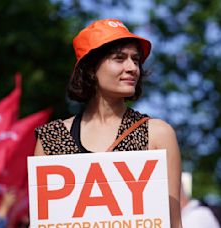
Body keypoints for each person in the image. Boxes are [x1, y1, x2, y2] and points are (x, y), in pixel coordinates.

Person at [34, 19, 183, 228]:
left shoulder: (157, 134)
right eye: (119, 58)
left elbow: (173, 223)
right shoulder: (51, 139)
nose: (132, 68)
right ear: (91, 69)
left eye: (136, 59)